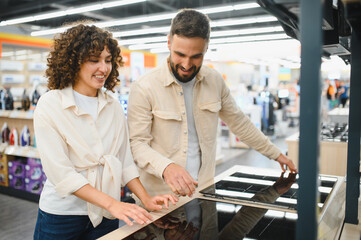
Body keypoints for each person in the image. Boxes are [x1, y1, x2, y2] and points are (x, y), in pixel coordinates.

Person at [127, 9, 297, 199]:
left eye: (196, 56)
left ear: (206, 48)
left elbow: (239, 123)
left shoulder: (214, 81)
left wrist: (276, 154)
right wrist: (166, 167)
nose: (186, 64)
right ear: (168, 42)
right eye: (180, 54)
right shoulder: (144, 87)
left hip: (204, 192)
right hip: (159, 200)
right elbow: (137, 144)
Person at [33, 23, 178, 240]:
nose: (104, 68)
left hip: (107, 214)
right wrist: (114, 204)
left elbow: (124, 161)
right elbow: (61, 174)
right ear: (73, 61)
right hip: (63, 215)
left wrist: (145, 199)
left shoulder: (113, 105)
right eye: (94, 60)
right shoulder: (50, 104)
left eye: (108, 60)